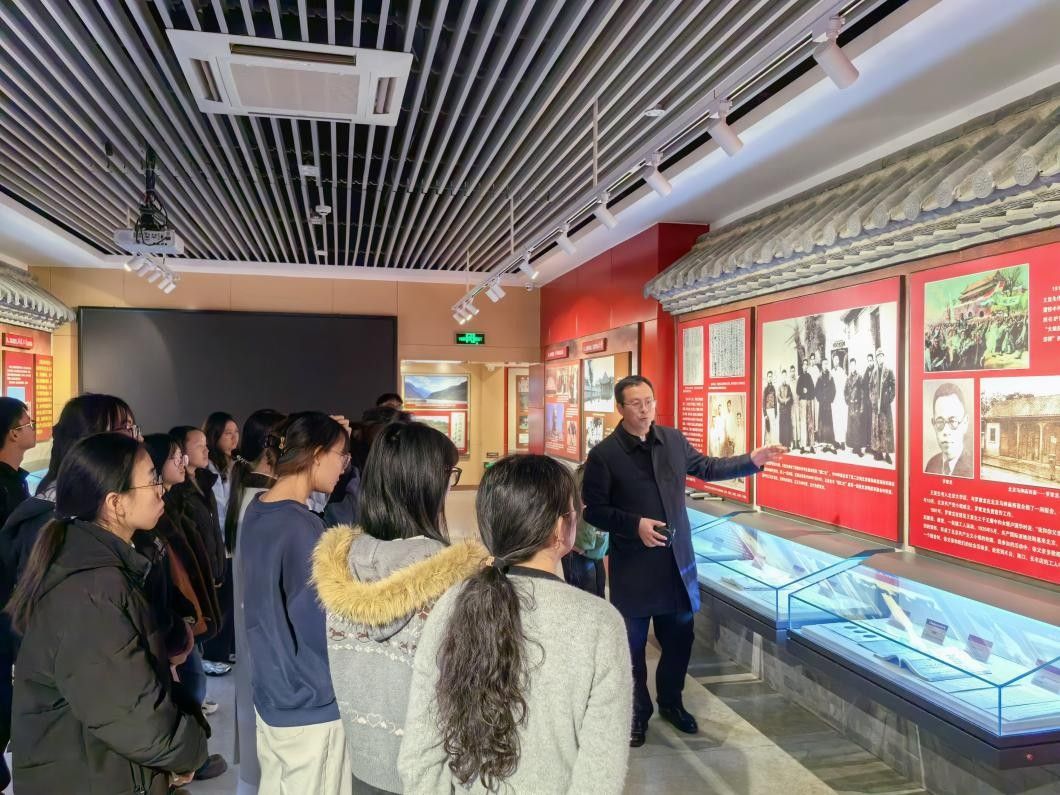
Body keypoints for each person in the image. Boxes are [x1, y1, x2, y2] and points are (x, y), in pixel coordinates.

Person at [399, 455, 633, 793]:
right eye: (574, 510)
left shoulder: (453, 602)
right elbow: (600, 774)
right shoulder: (600, 624)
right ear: (559, 529)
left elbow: (420, 754)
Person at [581, 375, 785, 747]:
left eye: (649, 401)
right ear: (620, 408)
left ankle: (671, 703)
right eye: (635, 404)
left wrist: (751, 461)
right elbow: (594, 510)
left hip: (676, 566)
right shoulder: (604, 455)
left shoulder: (672, 440)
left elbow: (708, 467)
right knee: (631, 648)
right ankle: (636, 713)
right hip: (634, 570)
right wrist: (635, 525)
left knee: (679, 641)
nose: (645, 410)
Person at [7, 433, 207, 793]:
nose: (160, 490)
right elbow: (135, 720)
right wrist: (190, 751)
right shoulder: (91, 592)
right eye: (151, 480)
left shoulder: (102, 566)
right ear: (115, 503)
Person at [312, 422, 488, 793]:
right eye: (449, 475)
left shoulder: (342, 561)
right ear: (426, 483)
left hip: (362, 761)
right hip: (430, 770)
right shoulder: (450, 576)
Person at [0, 393, 138, 789]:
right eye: (125, 429)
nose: (135, 440)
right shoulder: (53, 522)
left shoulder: (84, 509)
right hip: (76, 712)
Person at [242, 412, 353, 795]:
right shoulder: (302, 527)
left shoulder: (258, 508)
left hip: (272, 690)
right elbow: (322, 626)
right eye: (341, 456)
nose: (343, 467)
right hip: (310, 699)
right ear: (317, 455)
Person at [142, 434, 229, 782]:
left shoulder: (176, 501)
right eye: (174, 457)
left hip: (180, 611)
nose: (182, 462)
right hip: (169, 617)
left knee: (191, 680)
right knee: (187, 683)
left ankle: (190, 757)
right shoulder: (155, 517)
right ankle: (188, 759)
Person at [225, 409, 287, 791]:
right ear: (271, 448)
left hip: (253, 635)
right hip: (264, 639)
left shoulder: (247, 495)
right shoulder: (262, 503)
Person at [169, 426, 231, 677]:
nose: (206, 450)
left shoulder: (205, 482)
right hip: (198, 570)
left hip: (215, 565)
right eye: (199, 446)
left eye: (206, 445)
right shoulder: (178, 493)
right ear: (182, 452)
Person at [562, 464, 609, 597]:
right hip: (582, 549)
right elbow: (583, 508)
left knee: (595, 595)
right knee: (586, 597)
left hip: (591, 550)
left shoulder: (592, 471)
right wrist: (581, 546)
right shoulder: (591, 474)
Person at [925, 383, 973, 477]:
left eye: (953, 421)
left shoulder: (973, 467)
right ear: (933, 424)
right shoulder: (931, 464)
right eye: (940, 421)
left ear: (965, 423)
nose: (946, 431)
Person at [0, 398, 35, 527]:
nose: (33, 429)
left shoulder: (15, 478)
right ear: (14, 434)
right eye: (29, 424)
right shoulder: (4, 488)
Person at [871, 349, 896, 464]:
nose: (879, 358)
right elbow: (870, 386)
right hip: (876, 405)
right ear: (876, 358)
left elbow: (894, 385)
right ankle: (879, 451)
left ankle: (887, 453)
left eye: (881, 356)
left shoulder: (888, 371)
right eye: (878, 356)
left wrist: (889, 398)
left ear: (883, 357)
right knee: (878, 428)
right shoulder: (874, 372)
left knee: (886, 428)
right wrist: (872, 399)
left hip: (885, 405)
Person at [845, 357, 866, 457]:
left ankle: (858, 449)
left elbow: (862, 392)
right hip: (851, 406)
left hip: (857, 405)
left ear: (855, 365)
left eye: (854, 365)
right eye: (851, 365)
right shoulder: (848, 378)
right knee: (852, 426)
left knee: (858, 426)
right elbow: (845, 391)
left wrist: (861, 405)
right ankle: (854, 446)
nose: (852, 367)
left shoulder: (859, 377)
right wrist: (848, 400)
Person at [796, 354, 817, 454]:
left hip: (809, 402)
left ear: (807, 366)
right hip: (802, 403)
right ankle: (803, 446)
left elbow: (813, 390)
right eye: (803, 365)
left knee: (810, 423)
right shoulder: (800, 378)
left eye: (806, 365)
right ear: (802, 366)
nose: (805, 366)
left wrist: (808, 391)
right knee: (803, 423)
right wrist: (802, 390)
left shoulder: (809, 377)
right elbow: (797, 391)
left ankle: (812, 446)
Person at [816, 357, 837, 454]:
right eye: (824, 364)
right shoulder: (819, 377)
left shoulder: (830, 376)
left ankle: (829, 441)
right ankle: (822, 442)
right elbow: (816, 390)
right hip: (822, 404)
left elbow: (834, 390)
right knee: (822, 422)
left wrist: (830, 399)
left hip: (828, 404)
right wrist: (820, 399)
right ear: (822, 365)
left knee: (828, 423)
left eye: (826, 364)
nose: (825, 366)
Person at [831, 353, 847, 451]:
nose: (835, 361)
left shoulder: (842, 371)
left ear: (839, 361)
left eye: (837, 359)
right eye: (834, 360)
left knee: (842, 420)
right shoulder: (831, 372)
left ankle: (843, 442)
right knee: (835, 420)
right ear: (833, 361)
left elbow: (845, 385)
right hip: (834, 400)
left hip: (841, 399)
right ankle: (836, 441)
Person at [778, 368, 795, 449]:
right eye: (783, 376)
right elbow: (778, 397)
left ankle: (787, 444)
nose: (784, 377)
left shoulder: (788, 387)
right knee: (782, 426)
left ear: (786, 376)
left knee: (788, 427)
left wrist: (787, 400)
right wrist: (783, 401)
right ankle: (783, 444)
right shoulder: (779, 387)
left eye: (785, 376)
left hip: (787, 409)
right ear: (782, 377)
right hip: (782, 410)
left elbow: (791, 397)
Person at [762, 371, 777, 445]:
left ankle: (772, 446)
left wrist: (776, 411)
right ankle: (766, 445)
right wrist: (765, 414)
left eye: (771, 376)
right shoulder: (765, 389)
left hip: (773, 410)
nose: (770, 378)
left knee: (773, 429)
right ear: (767, 378)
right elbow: (763, 402)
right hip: (767, 411)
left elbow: (775, 400)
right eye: (769, 376)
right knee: (767, 428)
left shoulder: (773, 388)